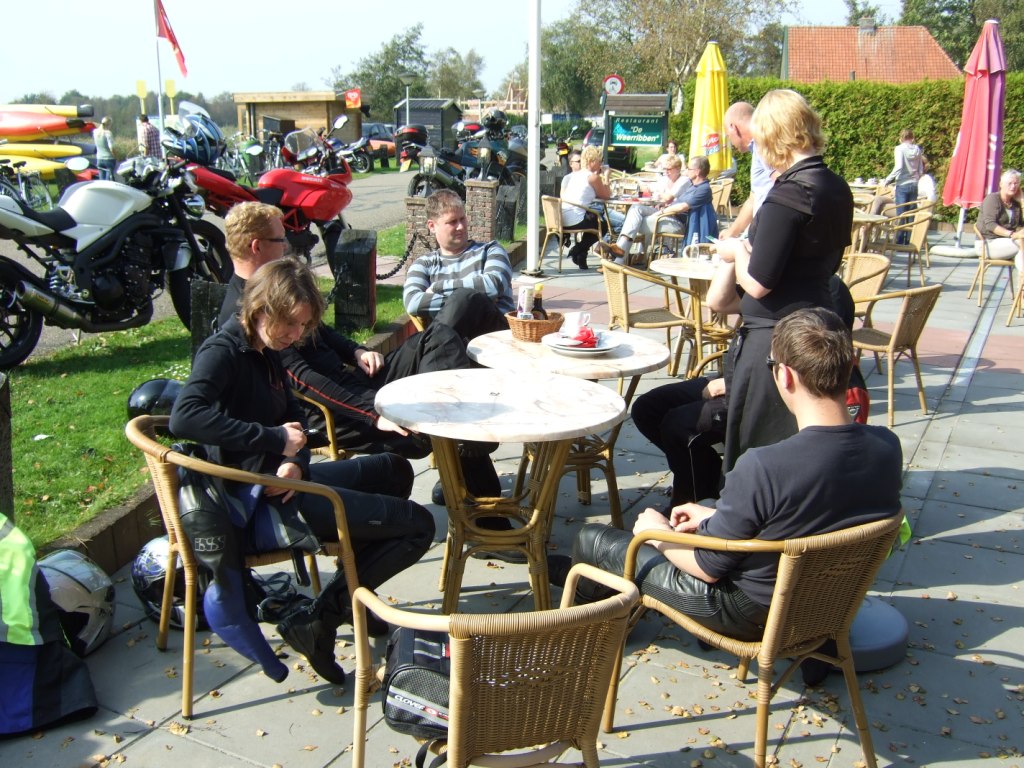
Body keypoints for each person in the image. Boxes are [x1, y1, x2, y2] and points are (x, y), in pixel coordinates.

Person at [556, 307, 903, 647]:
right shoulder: (887, 446)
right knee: (707, 505)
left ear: (785, 376)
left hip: (750, 613)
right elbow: (810, 513)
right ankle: (616, 594)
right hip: (828, 604)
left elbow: (707, 568)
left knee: (593, 540)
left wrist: (655, 534)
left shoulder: (765, 465)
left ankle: (592, 635)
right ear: (848, 367)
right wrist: (713, 514)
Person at [172, 257, 435, 686]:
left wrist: (295, 460)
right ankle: (320, 620)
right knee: (418, 526)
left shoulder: (267, 350)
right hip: (259, 502)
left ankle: (352, 593)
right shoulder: (223, 352)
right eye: (291, 324)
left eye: (303, 326)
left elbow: (293, 418)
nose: (297, 336)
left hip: (284, 479)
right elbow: (185, 417)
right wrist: (273, 440)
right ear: (261, 310)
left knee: (394, 470)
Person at [217, 202, 502, 509]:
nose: (287, 245)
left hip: (356, 380)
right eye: (280, 239)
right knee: (437, 395)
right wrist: (373, 413)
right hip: (338, 411)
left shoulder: (272, 285)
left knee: (450, 323)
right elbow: (304, 381)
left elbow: (322, 332)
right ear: (256, 246)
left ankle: (466, 443)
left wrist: (357, 350)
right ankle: (472, 471)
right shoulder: (249, 312)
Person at [712, 89, 853, 474]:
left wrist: (736, 251)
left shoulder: (788, 194)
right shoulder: (836, 187)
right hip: (818, 325)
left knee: (760, 452)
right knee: (804, 446)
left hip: (775, 339)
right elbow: (830, 262)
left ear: (773, 136)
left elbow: (758, 283)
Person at [403, 189, 515, 338]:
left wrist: (438, 288)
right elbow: (413, 302)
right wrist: (475, 300)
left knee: (463, 301)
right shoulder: (423, 264)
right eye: (452, 222)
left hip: (494, 338)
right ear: (432, 226)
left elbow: (494, 284)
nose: (461, 226)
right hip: (450, 341)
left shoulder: (491, 251)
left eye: (462, 219)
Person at [595, 155, 691, 264]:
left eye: (669, 169)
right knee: (635, 209)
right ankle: (622, 252)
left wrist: (658, 194)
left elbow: (668, 197)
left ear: (678, 169)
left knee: (633, 221)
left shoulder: (684, 180)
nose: (666, 172)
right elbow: (652, 191)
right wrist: (651, 191)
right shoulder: (665, 179)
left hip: (675, 217)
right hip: (661, 212)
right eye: (664, 169)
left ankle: (622, 254)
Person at [719, 101, 779, 239]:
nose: (730, 143)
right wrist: (731, 232)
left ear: (733, 127)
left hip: (771, 230)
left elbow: (783, 185)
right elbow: (753, 199)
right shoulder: (758, 146)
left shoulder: (762, 144)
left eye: (728, 136)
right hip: (766, 229)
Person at [558, 145, 614, 269]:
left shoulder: (573, 176)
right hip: (575, 219)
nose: (601, 164)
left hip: (561, 218)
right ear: (592, 161)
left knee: (594, 219)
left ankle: (581, 253)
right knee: (603, 225)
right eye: (600, 160)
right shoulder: (592, 177)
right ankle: (577, 250)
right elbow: (606, 195)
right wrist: (606, 176)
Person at [882, 129, 927, 245]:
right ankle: (911, 239)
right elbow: (921, 169)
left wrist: (888, 179)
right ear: (912, 138)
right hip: (914, 183)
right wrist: (916, 177)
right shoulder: (917, 149)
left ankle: (900, 239)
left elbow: (899, 166)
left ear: (901, 138)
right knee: (911, 212)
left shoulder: (899, 149)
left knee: (901, 212)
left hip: (902, 183)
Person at [977, 168, 1024, 273]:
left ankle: (1022, 279)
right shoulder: (992, 199)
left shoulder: (1015, 203)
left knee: (1021, 243)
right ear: (1001, 184)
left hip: (1008, 242)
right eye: (1010, 183)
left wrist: (1022, 202)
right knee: (1021, 242)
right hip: (988, 243)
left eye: (1016, 183)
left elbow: (1021, 225)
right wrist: (1012, 234)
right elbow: (991, 225)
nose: (1013, 186)